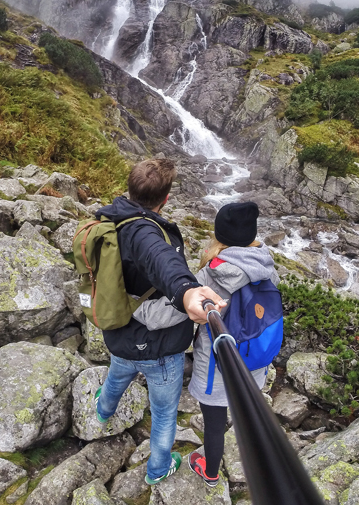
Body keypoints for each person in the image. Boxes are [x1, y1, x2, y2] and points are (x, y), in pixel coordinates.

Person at [93, 158, 224, 486]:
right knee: (164, 414)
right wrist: (188, 291)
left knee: (116, 377)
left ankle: (102, 413)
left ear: (129, 188)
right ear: (165, 199)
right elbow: (161, 259)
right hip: (161, 349)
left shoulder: (113, 219)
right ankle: (157, 469)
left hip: (121, 333)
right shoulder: (144, 231)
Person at [188, 201, 279, 487]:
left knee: (214, 425)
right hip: (255, 360)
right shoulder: (266, 266)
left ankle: (211, 473)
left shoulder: (209, 275)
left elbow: (189, 316)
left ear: (219, 235)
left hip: (217, 368)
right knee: (246, 416)